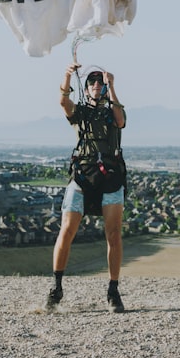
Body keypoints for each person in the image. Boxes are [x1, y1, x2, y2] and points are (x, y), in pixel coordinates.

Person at [47, 63, 127, 313]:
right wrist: (68, 75)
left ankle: (113, 290)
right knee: (67, 230)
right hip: (82, 175)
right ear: (86, 88)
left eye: (99, 83)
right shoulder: (80, 113)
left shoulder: (113, 110)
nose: (96, 85)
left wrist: (112, 86)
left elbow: (121, 121)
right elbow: (63, 103)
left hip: (111, 177)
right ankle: (56, 286)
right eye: (92, 83)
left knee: (113, 234)